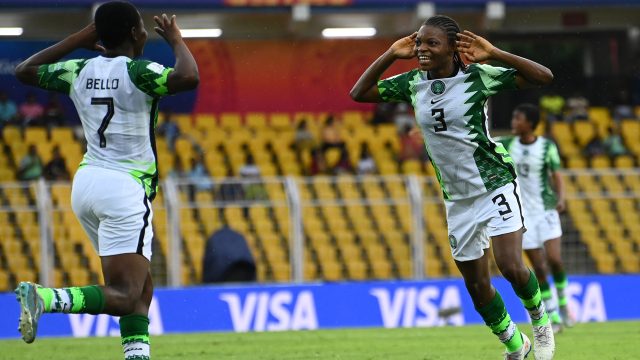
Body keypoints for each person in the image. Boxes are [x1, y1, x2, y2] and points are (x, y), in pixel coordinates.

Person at [350, 15, 555, 360]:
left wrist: (495, 53)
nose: (422, 50)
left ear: (451, 49)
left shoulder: (477, 77)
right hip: (457, 198)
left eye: (432, 43)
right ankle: (515, 345)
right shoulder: (412, 82)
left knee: (510, 265)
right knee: (476, 286)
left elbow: (543, 77)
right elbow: (359, 94)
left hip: (494, 184)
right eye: (420, 43)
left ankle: (541, 323)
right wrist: (389, 53)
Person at [14, 3, 199, 360]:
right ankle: (46, 298)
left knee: (141, 285)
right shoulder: (139, 72)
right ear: (133, 34)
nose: (146, 34)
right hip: (124, 188)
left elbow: (25, 70)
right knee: (126, 293)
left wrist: (79, 39)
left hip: (87, 184)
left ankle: (137, 355)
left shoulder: (79, 69)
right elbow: (188, 77)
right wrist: (176, 40)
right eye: (142, 29)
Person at [498, 103, 574, 334]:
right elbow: (482, 142)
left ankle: (563, 303)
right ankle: (552, 315)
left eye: (518, 118)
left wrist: (561, 198)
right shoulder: (507, 144)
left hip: (546, 209)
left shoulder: (546, 146)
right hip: (522, 215)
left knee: (555, 260)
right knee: (538, 268)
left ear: (530, 123)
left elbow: (556, 175)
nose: (513, 122)